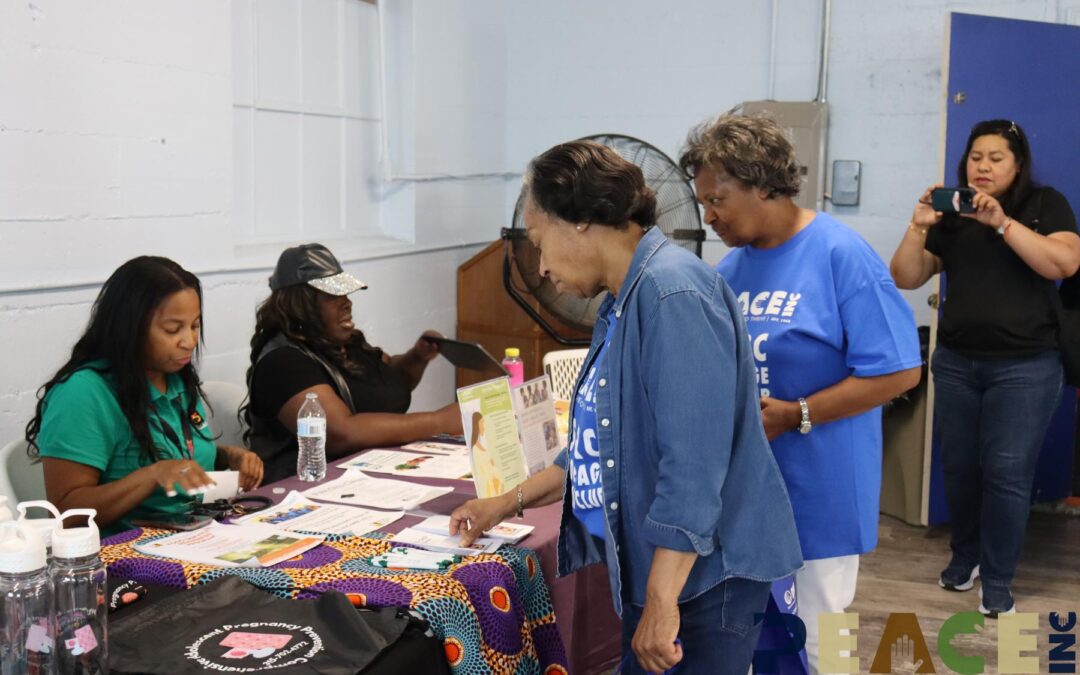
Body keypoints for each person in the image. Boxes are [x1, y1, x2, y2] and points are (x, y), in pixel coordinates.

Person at [450, 141, 802, 675]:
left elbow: (693, 467)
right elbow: (597, 448)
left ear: (583, 221)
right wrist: (506, 502)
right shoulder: (624, 300)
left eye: (541, 242)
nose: (541, 267)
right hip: (666, 575)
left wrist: (660, 605)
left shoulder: (671, 292)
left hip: (701, 584)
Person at [679, 113, 922, 672]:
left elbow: (899, 371)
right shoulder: (732, 268)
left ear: (764, 183)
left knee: (816, 640)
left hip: (820, 488)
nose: (708, 215)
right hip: (745, 494)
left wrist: (798, 414)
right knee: (751, 640)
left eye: (718, 199)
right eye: (702, 202)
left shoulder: (841, 254)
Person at [889, 119, 1080, 616]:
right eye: (976, 156)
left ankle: (997, 579)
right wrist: (918, 226)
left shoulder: (1044, 204)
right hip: (956, 364)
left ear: (1017, 164)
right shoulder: (952, 214)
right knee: (960, 470)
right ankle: (965, 557)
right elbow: (906, 276)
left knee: (1007, 475)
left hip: (1026, 368)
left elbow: (1063, 264)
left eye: (996, 157)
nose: (983, 166)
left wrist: (1000, 223)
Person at [24, 257, 264, 536]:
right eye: (173, 329)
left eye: (195, 326)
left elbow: (177, 459)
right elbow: (66, 513)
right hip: (124, 558)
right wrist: (151, 476)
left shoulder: (174, 376)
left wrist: (227, 457)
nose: (189, 341)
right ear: (130, 328)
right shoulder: (83, 393)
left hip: (197, 534)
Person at [244, 243, 463, 483]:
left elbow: (389, 383)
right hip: (305, 489)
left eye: (345, 293)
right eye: (332, 296)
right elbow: (340, 432)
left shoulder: (344, 343)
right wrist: (439, 421)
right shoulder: (282, 362)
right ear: (299, 304)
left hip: (371, 475)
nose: (347, 303)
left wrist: (416, 358)